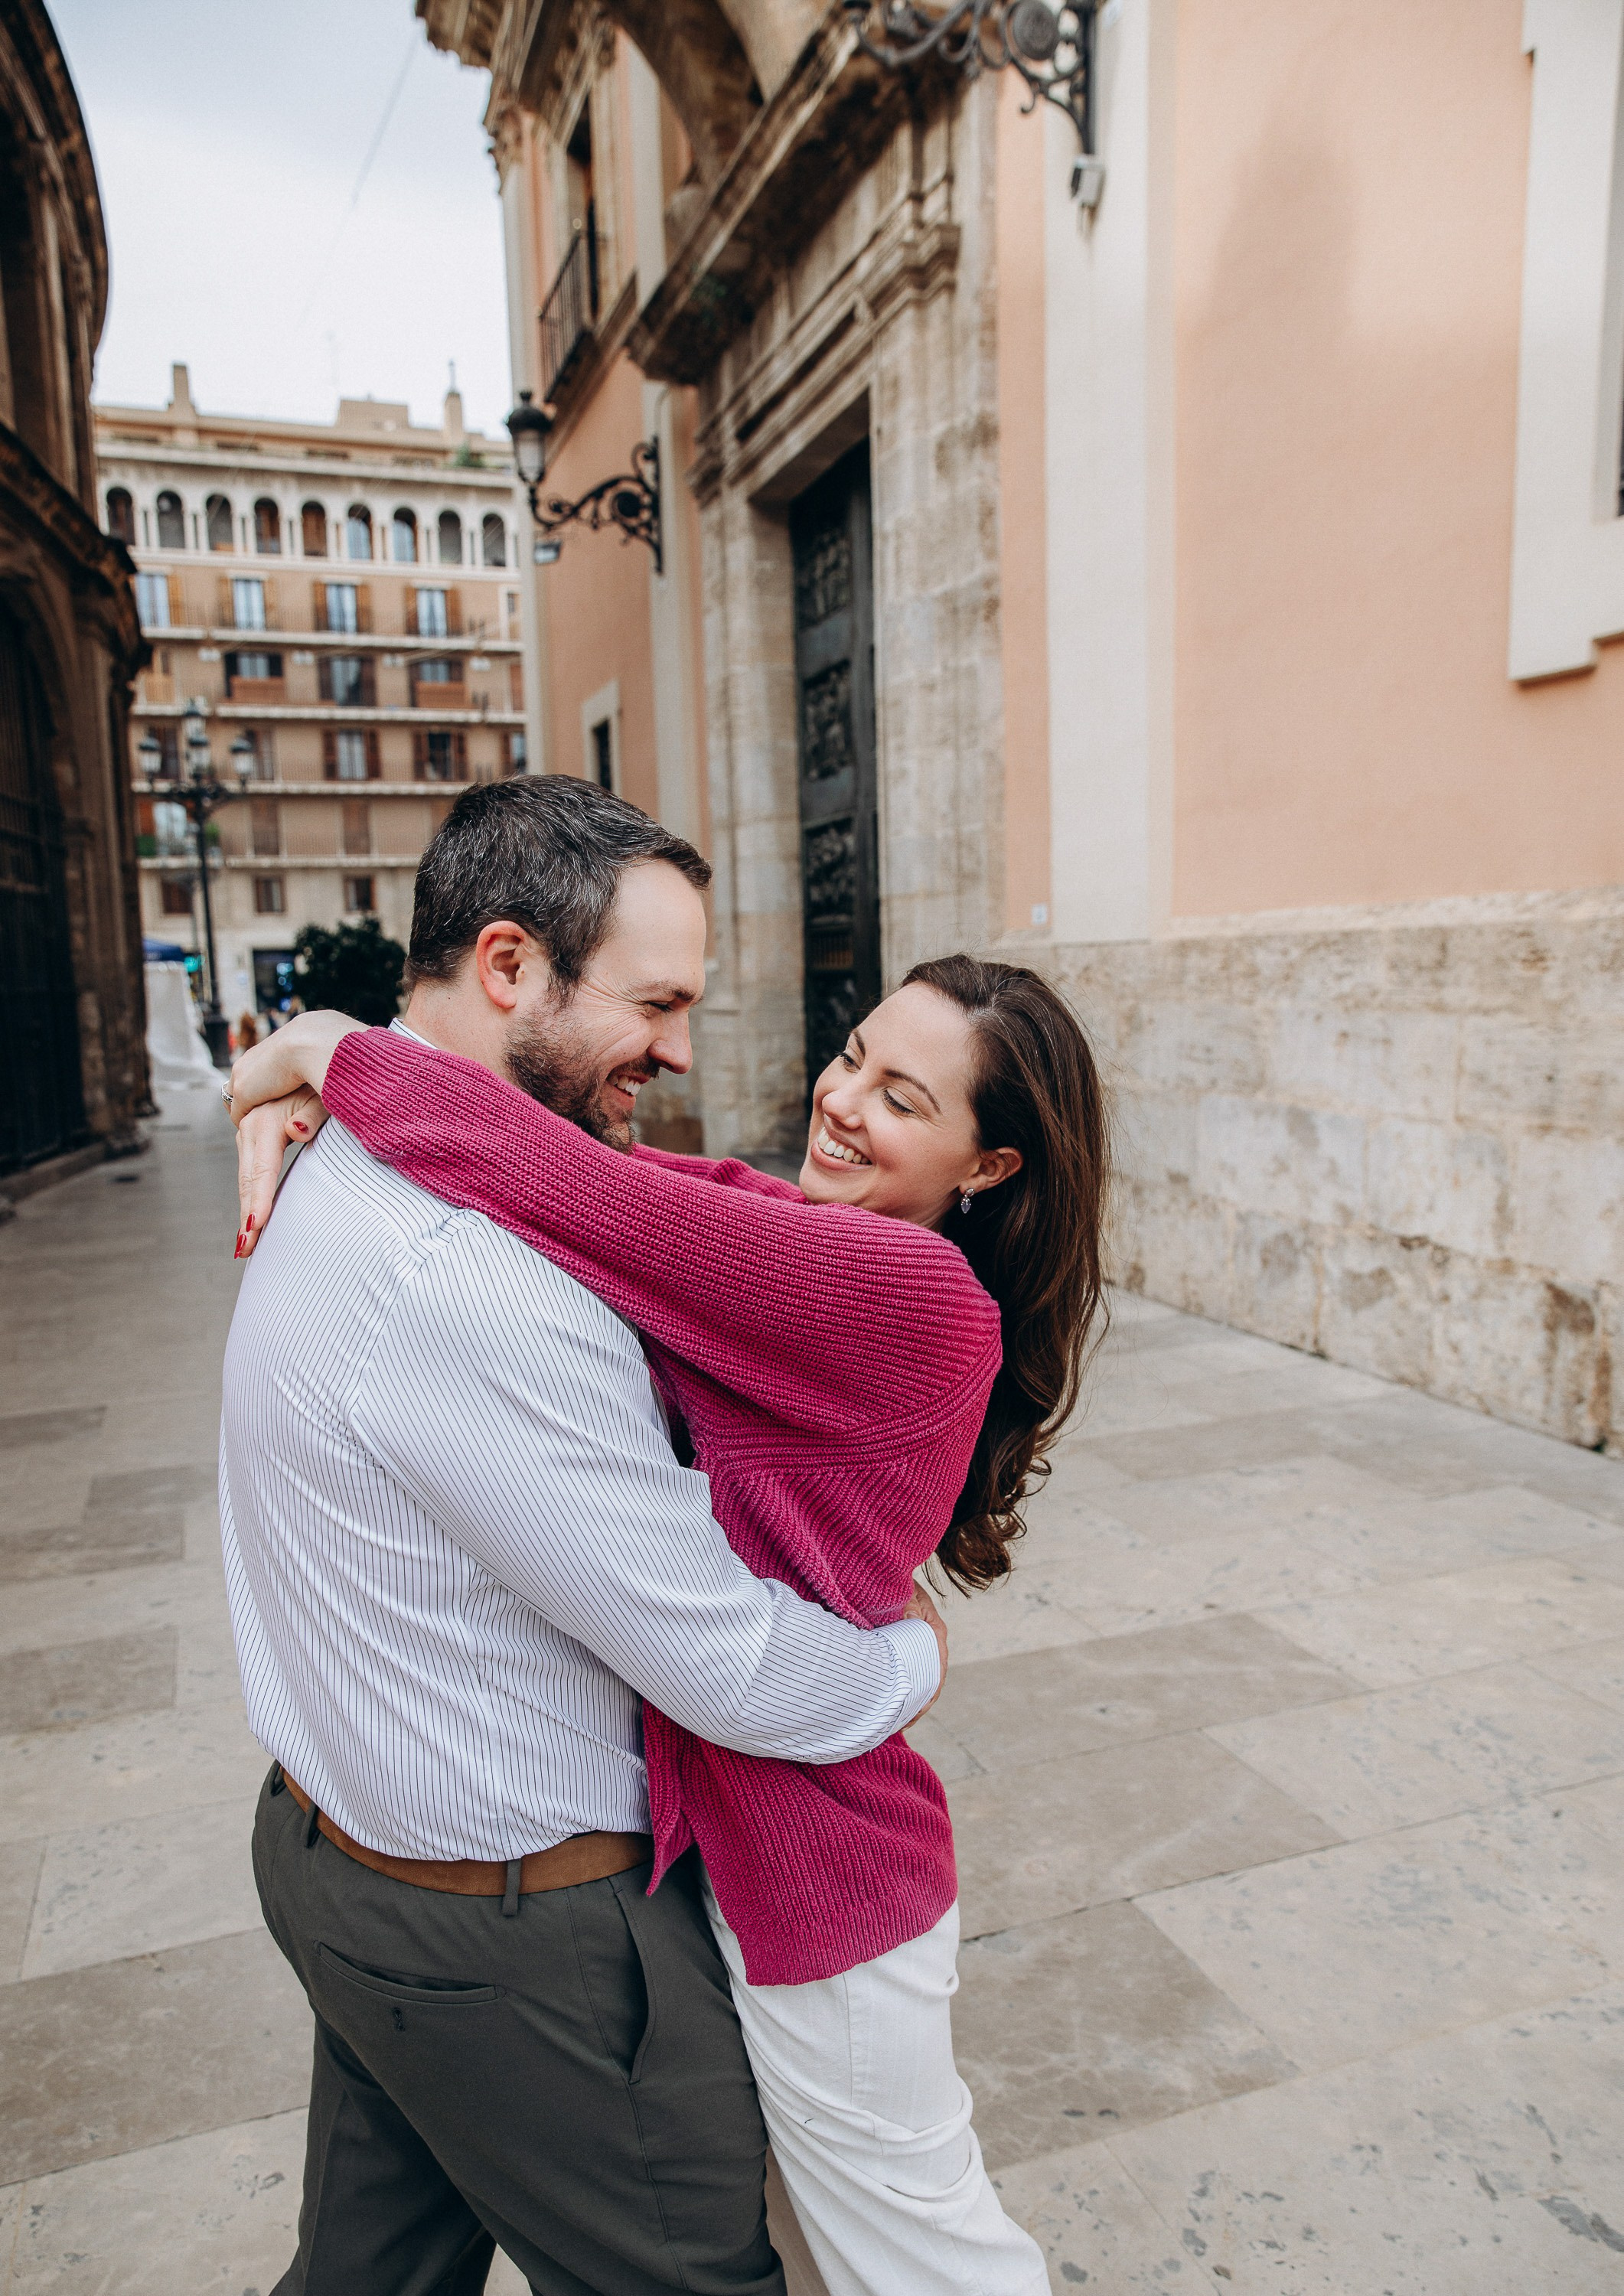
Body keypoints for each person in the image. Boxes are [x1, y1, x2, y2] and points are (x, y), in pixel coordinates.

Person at [231, 780, 1111, 2296]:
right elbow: (605, 1192)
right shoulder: (633, 1252)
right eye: (854, 1058)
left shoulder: (905, 1295)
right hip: (558, 1906)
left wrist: (331, 1051)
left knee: (915, 2242)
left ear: (987, 1170)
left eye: (905, 1099)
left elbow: (590, 1191)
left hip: (806, 1862)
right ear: (510, 966)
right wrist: (327, 1054)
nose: (831, 1098)